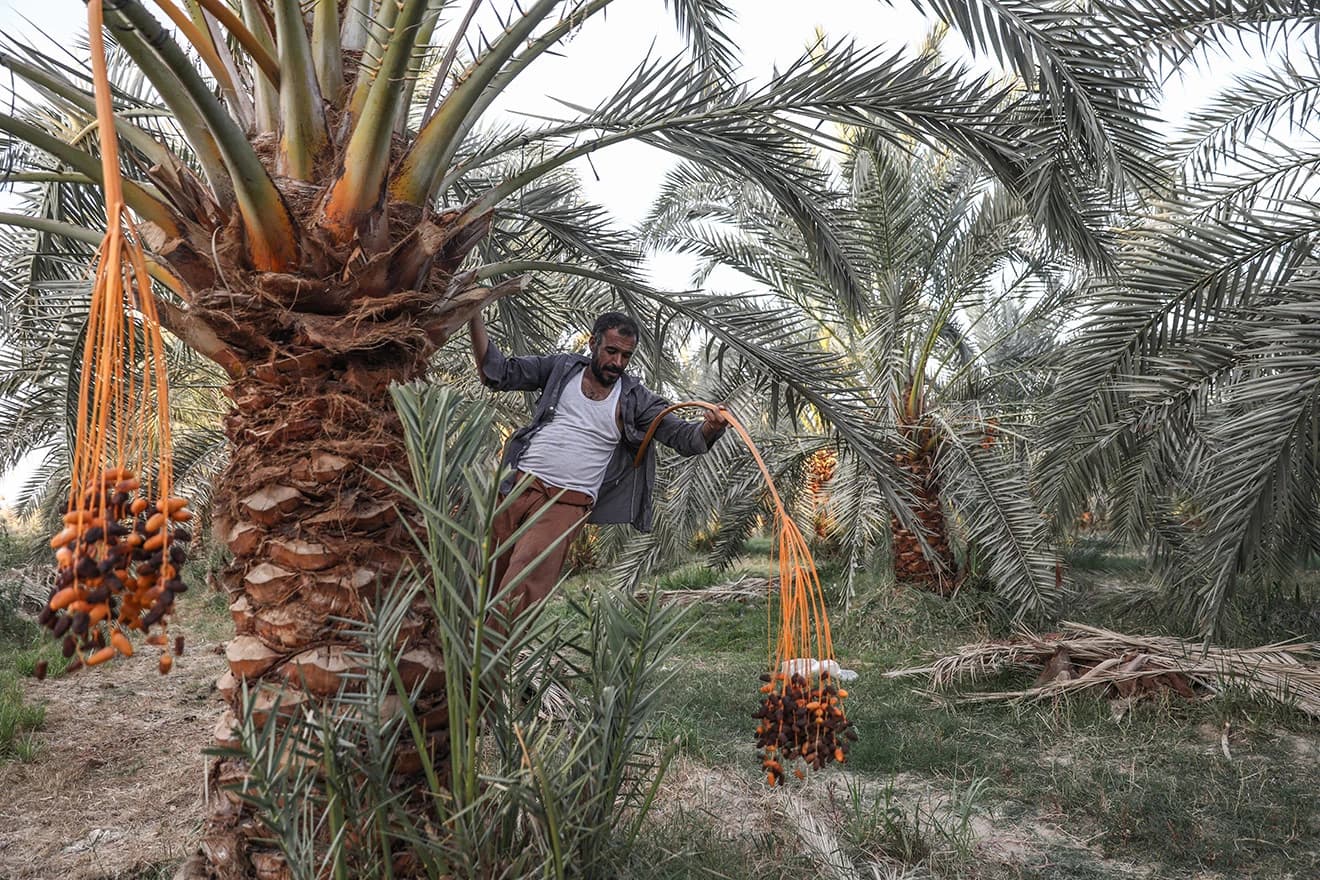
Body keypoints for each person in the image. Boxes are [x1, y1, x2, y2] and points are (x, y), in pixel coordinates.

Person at [469, 310, 728, 620]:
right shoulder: (561, 368)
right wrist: (473, 313)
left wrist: (712, 427)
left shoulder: (635, 399)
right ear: (593, 343)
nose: (618, 362)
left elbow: (685, 437)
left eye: (626, 355)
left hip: (565, 503)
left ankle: (490, 665)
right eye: (611, 351)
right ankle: (453, 664)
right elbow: (498, 372)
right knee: (475, 581)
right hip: (516, 487)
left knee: (521, 589)